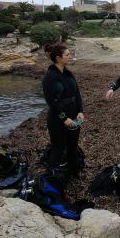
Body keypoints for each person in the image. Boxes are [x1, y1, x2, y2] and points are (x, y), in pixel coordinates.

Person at [42, 44, 84, 178]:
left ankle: (74, 174)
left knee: (72, 147)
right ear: (58, 58)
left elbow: (77, 93)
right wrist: (64, 118)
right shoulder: (50, 76)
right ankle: (52, 178)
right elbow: (51, 101)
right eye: (67, 55)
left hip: (74, 116)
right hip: (58, 119)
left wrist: (80, 111)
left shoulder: (68, 73)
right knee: (58, 149)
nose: (70, 56)